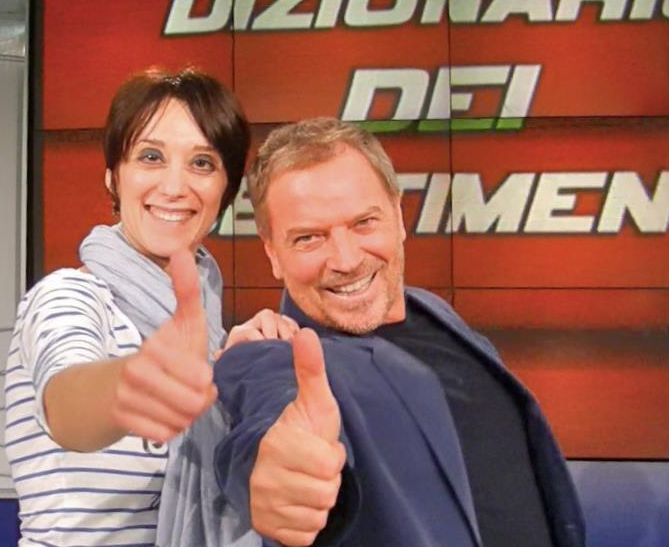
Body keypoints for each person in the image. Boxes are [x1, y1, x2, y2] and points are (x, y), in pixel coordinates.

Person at [158, 117, 585, 547]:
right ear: (273, 254)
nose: (346, 260)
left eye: (364, 223)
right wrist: (277, 476)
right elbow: (268, 420)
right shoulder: (273, 354)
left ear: (398, 216)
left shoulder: (435, 313)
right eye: (309, 238)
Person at [3, 68, 296, 547]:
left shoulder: (208, 333)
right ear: (113, 177)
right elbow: (67, 405)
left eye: (202, 163)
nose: (175, 186)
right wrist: (137, 382)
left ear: (224, 192)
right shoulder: (68, 296)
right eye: (151, 156)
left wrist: (236, 371)